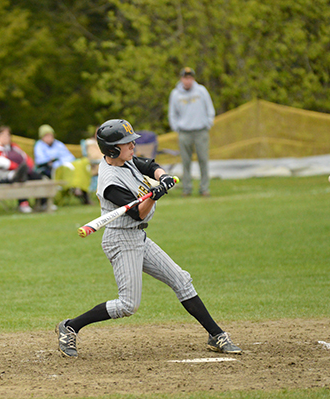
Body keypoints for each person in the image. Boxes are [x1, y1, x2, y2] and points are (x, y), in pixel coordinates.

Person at [55, 119, 241, 358]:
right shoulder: (110, 182)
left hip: (137, 236)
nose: (133, 146)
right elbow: (137, 213)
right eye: (127, 143)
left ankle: (216, 335)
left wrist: (162, 178)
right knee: (128, 305)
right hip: (121, 240)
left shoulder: (126, 159)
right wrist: (154, 196)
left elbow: (148, 165)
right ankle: (70, 326)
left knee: (182, 281)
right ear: (112, 150)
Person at [168, 67, 215, 197]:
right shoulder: (176, 94)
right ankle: (187, 188)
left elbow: (210, 109)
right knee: (186, 161)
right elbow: (172, 113)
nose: (187, 81)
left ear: (193, 79)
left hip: (200, 131)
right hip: (184, 132)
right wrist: (176, 127)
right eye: (185, 78)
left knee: (203, 160)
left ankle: (204, 188)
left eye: (189, 78)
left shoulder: (201, 91)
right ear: (181, 79)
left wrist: (208, 123)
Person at [0, 125, 44, 213]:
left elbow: (26, 158)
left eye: (7, 135)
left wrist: (28, 166)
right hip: (3, 175)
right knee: (20, 178)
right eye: (3, 135)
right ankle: (23, 203)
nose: (6, 138)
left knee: (38, 177)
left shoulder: (14, 147)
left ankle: (42, 203)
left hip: (20, 171)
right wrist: (17, 167)